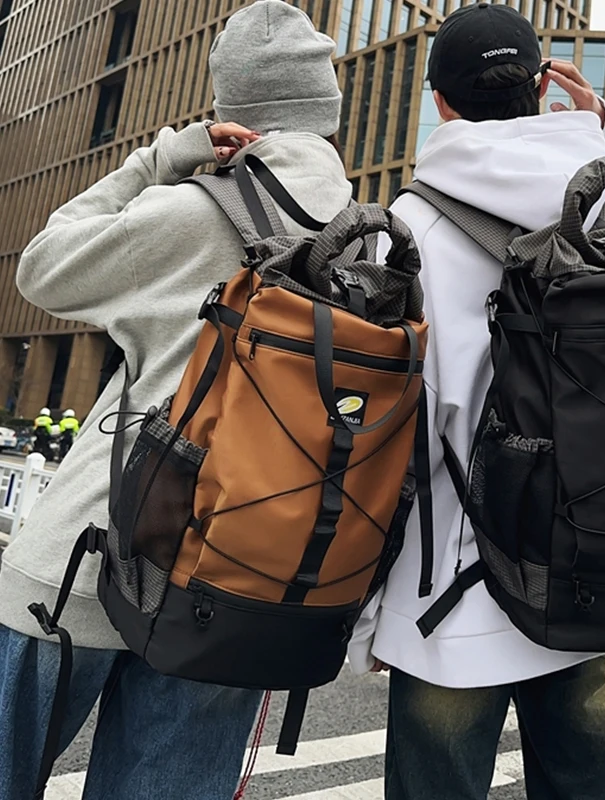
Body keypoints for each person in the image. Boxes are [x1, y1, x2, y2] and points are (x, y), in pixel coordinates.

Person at [0, 3, 350, 798]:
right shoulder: (371, 240)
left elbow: (43, 265)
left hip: (90, 556)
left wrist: (162, 156)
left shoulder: (192, 212)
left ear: (233, 111)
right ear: (325, 112)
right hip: (244, 574)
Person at [349, 5, 605, 800]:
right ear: (544, 87)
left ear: (440, 102)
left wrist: (370, 612)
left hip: (454, 589)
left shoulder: (407, 226)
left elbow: (395, 427)